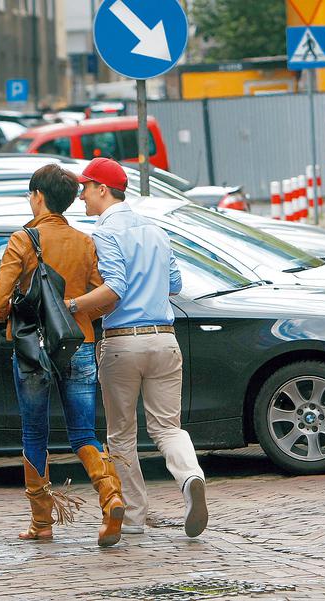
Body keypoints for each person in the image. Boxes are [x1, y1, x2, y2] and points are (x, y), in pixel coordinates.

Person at [68, 157, 208, 538]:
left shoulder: (103, 233)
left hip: (122, 342)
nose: (81, 196)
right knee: (167, 428)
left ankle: (132, 516)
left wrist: (73, 305)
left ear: (102, 189)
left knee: (122, 435)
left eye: (85, 187)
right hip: (164, 337)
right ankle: (190, 476)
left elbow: (115, 285)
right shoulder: (156, 231)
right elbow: (175, 283)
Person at [0, 164, 125, 547]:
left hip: (33, 351)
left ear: (38, 196)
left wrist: (6, 312)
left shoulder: (22, 240)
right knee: (84, 431)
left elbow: (0, 300)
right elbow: (100, 298)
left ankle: (42, 522)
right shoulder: (85, 242)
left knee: (35, 433)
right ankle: (111, 497)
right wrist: (74, 311)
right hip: (78, 346)